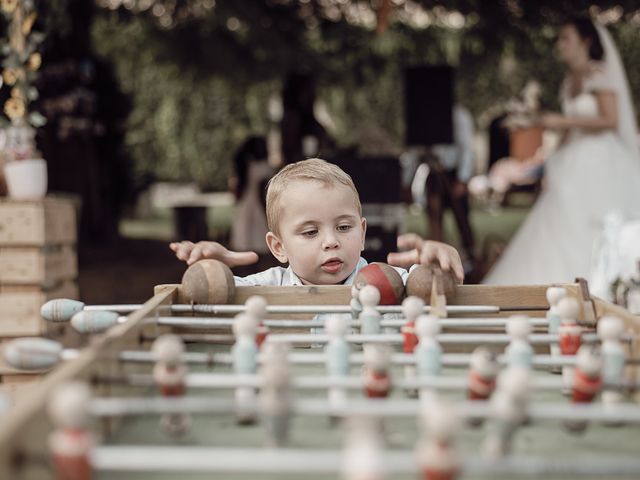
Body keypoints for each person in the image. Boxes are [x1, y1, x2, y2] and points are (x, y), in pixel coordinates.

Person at [484, 17, 640, 285]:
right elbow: (572, 131)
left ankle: (601, 281)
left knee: (595, 220)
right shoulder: (570, 81)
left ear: (586, 41)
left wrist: (558, 120)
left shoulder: (600, 73)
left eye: (567, 38)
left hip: (601, 160)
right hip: (575, 158)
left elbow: (610, 120)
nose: (561, 44)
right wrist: (552, 159)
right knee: (560, 218)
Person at [170, 158, 464, 286]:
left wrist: (438, 269)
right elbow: (216, 295)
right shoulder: (272, 286)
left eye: (344, 227)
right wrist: (210, 269)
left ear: (362, 233)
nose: (331, 241)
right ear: (278, 246)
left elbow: (426, 287)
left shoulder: (383, 280)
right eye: (310, 232)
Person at [229, 136, 273, 255]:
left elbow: (236, 191)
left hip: (244, 207)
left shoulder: (244, 167)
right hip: (258, 208)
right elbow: (262, 194)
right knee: (260, 243)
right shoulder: (264, 168)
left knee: (243, 242)